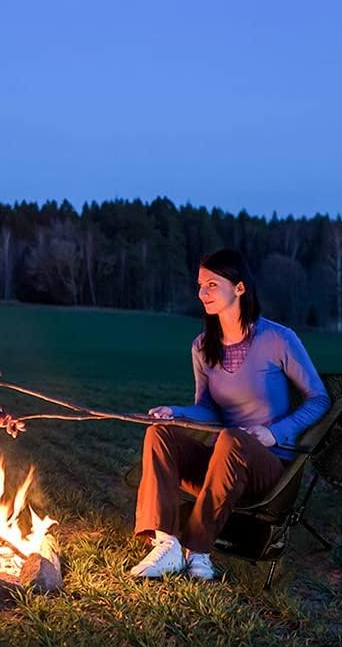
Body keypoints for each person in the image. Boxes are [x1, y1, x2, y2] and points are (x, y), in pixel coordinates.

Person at [131, 248, 330, 580]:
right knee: (159, 433)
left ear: (239, 288)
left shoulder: (278, 339)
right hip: (221, 465)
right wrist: (174, 412)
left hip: (268, 466)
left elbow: (319, 399)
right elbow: (208, 411)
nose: (202, 293)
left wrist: (275, 433)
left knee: (232, 439)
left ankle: (199, 550)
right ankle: (166, 544)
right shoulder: (201, 347)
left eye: (212, 284)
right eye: (200, 285)